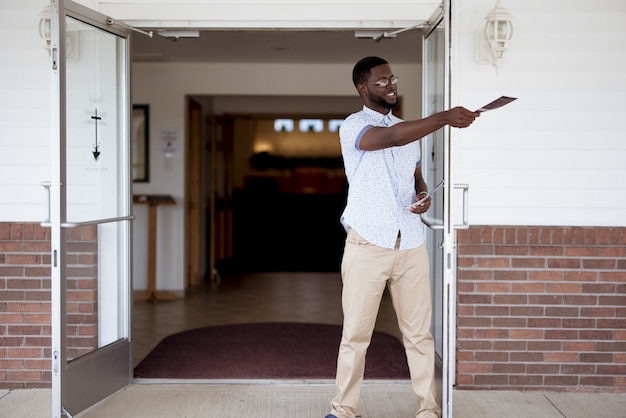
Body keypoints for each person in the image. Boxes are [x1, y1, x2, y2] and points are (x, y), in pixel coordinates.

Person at [324, 56, 479, 418]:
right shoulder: (354, 126)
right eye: (381, 81)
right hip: (368, 246)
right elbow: (390, 137)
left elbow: (416, 177)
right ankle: (344, 410)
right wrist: (442, 118)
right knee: (356, 336)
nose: (390, 85)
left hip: (410, 244)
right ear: (363, 88)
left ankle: (428, 410)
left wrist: (422, 195)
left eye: (392, 79)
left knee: (419, 335)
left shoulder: (408, 130)